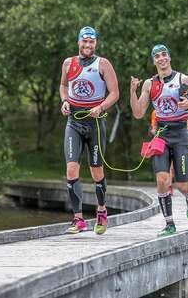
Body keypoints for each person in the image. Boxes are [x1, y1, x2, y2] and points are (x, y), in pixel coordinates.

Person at [130, 44, 188, 237]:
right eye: (157, 56)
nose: (161, 58)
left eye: (164, 55)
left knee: (182, 184)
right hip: (161, 134)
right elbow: (138, 113)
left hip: (180, 134)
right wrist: (132, 91)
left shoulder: (183, 79)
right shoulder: (149, 84)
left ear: (169, 58)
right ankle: (169, 224)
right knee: (162, 180)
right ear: (154, 60)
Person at [59, 26, 119, 234]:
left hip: (95, 123)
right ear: (78, 43)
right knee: (71, 169)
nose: (87, 45)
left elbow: (114, 93)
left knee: (96, 171)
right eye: (84, 42)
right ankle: (78, 219)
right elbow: (64, 86)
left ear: (95, 44)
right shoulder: (69, 63)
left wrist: (101, 107)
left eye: (91, 42)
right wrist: (64, 101)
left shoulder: (103, 64)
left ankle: (101, 211)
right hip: (74, 122)